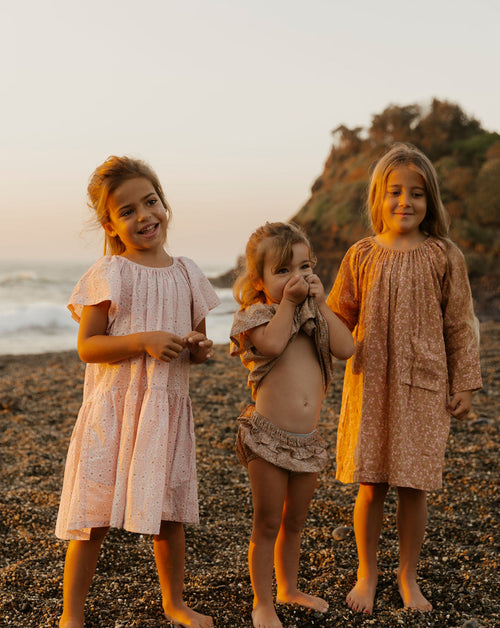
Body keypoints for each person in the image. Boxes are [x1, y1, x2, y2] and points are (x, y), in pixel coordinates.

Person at [56, 156, 220, 628]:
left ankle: (175, 603)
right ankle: (72, 614)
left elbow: (199, 347)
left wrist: (198, 346)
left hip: (164, 411)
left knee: (169, 514)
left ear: (164, 203)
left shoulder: (188, 273)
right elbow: (89, 346)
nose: (145, 215)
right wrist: (144, 341)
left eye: (150, 202)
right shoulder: (110, 272)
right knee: (94, 517)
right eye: (128, 211)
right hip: (114, 409)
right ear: (111, 223)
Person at [327, 143, 482, 614]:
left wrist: (465, 384)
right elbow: (336, 319)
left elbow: (460, 322)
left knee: (414, 486)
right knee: (370, 484)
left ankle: (408, 576)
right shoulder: (360, 256)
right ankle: (367, 572)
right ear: (379, 197)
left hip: (424, 385)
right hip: (369, 383)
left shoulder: (444, 255)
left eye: (416, 193)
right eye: (395, 192)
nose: (405, 202)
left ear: (430, 201)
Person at [230, 222, 354, 628]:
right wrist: (289, 304)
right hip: (267, 437)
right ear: (259, 280)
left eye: (303, 267)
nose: (295, 278)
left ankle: (289, 587)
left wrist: (322, 304)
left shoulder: (314, 314)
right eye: (282, 271)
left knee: (295, 522)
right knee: (267, 520)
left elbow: (347, 347)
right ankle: (262, 603)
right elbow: (272, 345)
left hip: (307, 440)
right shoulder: (258, 317)